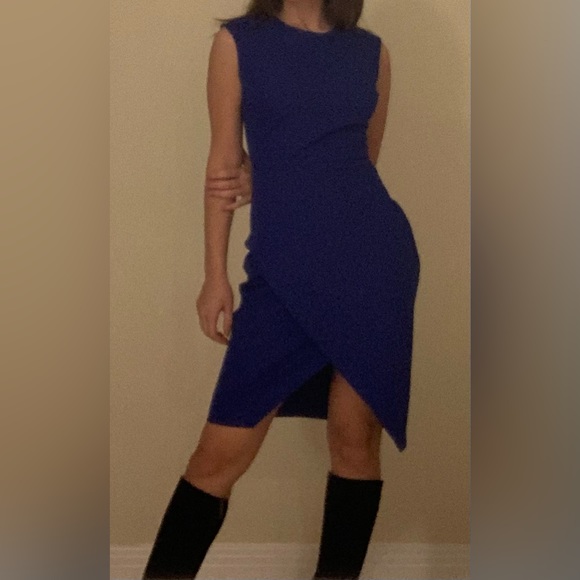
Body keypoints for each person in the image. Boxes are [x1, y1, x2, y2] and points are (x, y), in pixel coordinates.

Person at [142, 0, 420, 578]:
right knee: (218, 454)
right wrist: (214, 275)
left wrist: (273, 175)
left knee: (354, 440)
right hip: (281, 271)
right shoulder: (238, 43)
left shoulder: (371, 53)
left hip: (373, 267)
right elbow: (223, 163)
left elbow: (359, 163)